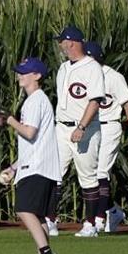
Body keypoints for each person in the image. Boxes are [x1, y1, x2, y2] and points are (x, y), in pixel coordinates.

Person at [0, 57, 64, 254]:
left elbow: (29, 132)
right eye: (19, 72)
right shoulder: (36, 100)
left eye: (25, 72)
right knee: (40, 216)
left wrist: (10, 120)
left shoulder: (35, 100)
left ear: (37, 76)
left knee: (24, 209)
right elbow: (33, 142)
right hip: (37, 165)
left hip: (38, 167)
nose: (19, 76)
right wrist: (14, 167)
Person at [44, 24, 105, 238]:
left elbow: (95, 101)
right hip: (62, 127)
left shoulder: (92, 67)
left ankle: (90, 225)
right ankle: (50, 221)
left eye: (62, 41)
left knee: (87, 177)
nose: (60, 45)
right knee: (54, 175)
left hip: (84, 130)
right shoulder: (64, 68)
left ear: (70, 42)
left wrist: (82, 126)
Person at [83, 40, 128, 233]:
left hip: (110, 127)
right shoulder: (85, 77)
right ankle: (112, 211)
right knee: (90, 174)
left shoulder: (113, 77)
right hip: (91, 128)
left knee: (101, 173)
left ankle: (100, 219)